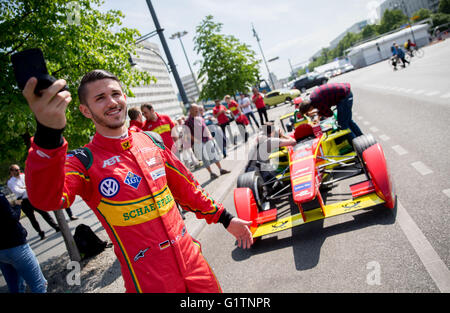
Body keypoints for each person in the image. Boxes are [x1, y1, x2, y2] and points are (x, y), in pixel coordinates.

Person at [22, 69, 252, 293]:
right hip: (148, 282)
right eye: (100, 98)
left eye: (115, 94)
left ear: (124, 97)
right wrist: (48, 134)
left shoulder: (150, 141)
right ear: (85, 110)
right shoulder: (83, 161)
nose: (111, 102)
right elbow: (47, 199)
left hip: (195, 265)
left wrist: (226, 218)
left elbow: (188, 190)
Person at [0, 192, 47, 293]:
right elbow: (12, 218)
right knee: (39, 285)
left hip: (2, 252)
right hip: (16, 246)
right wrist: (17, 206)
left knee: (16, 288)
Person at [7, 164, 60, 240]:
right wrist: (27, 187)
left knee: (44, 213)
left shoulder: (24, 176)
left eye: (18, 169)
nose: (18, 171)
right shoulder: (11, 182)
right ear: (11, 172)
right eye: (15, 170)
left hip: (33, 197)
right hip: (23, 200)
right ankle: (40, 233)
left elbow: (33, 184)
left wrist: (25, 187)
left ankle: (56, 226)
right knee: (32, 218)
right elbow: (17, 191)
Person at [185, 104, 230, 180]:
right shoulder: (187, 121)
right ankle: (211, 173)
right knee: (205, 159)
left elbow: (205, 127)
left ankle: (221, 169)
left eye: (198, 109)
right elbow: (188, 134)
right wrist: (196, 141)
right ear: (190, 111)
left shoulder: (200, 118)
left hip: (207, 139)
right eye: (195, 109)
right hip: (198, 143)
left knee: (214, 155)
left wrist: (209, 135)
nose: (197, 111)